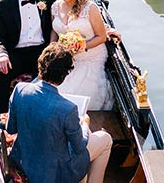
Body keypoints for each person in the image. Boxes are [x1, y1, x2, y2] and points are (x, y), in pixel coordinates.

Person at [7, 42, 112, 183]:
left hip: (24, 161)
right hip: (56, 173)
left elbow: (10, 128)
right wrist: (85, 124)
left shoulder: (20, 89)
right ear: (64, 75)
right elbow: (79, 146)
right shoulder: (68, 109)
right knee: (105, 139)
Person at [0, 0, 57, 113]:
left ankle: (42, 114)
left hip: (42, 51)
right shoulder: (3, 4)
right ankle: (0, 115)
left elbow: (64, 17)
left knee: (48, 73)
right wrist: (1, 54)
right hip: (16, 52)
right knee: (0, 71)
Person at [51, 0, 117, 111]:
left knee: (72, 93)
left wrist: (82, 46)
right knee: (51, 90)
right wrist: (52, 46)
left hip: (91, 57)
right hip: (66, 57)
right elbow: (54, 30)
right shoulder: (55, 6)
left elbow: (101, 36)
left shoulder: (90, 8)